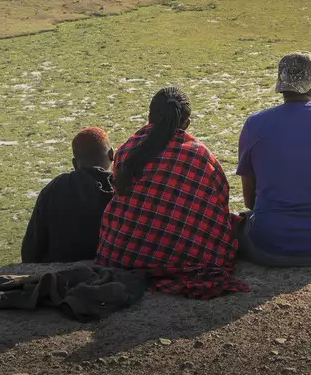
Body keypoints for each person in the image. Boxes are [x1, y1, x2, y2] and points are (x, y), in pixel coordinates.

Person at [95, 87, 248, 296]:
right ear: (186, 124)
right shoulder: (199, 155)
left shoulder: (128, 148)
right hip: (179, 255)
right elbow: (219, 202)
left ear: (149, 117)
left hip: (122, 253)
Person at [236, 52, 311, 268]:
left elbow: (250, 201)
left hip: (268, 247)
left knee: (240, 222)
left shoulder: (254, 124)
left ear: (281, 84)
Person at [20, 127, 115, 264]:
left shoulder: (55, 187)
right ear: (112, 154)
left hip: (59, 275)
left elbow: (31, 251)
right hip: (106, 271)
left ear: (75, 164)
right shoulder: (121, 188)